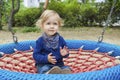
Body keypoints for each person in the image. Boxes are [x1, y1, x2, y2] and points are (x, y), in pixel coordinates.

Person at [33, 10, 71, 74]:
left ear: (59, 25)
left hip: (59, 65)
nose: (52, 26)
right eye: (48, 23)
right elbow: (35, 55)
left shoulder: (60, 39)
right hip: (44, 64)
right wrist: (46, 58)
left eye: (55, 24)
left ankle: (62, 73)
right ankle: (48, 73)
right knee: (44, 69)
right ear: (42, 25)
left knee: (66, 68)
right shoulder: (40, 41)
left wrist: (65, 54)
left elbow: (66, 52)